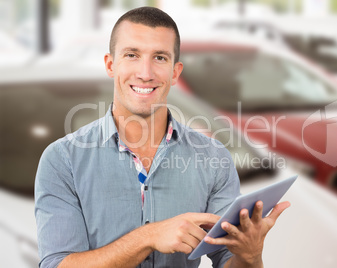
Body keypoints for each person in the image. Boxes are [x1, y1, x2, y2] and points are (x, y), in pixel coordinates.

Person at [34, 6, 290, 268]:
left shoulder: (214, 158)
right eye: (132, 55)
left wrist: (250, 256)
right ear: (111, 65)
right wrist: (149, 237)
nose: (145, 73)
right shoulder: (62, 160)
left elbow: (227, 260)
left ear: (175, 72)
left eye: (159, 58)